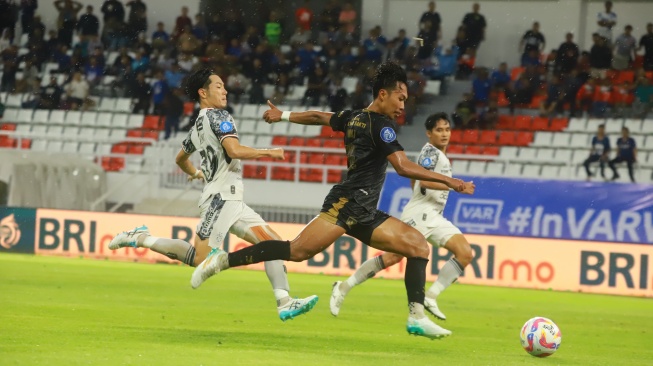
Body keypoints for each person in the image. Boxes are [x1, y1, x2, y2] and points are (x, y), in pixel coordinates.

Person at [191, 61, 471, 339]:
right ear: (383, 94)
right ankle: (221, 262)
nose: (403, 106)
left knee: (418, 246)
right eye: (400, 98)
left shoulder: (354, 117)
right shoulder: (381, 127)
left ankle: (416, 317)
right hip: (345, 205)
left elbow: (318, 117)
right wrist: (450, 181)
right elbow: (402, 166)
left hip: (364, 210)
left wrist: (284, 115)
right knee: (297, 250)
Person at [109, 68, 318, 321]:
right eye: (218, 86)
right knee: (199, 259)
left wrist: (198, 173)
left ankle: (284, 301)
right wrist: (270, 152)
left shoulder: (198, 124)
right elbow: (235, 150)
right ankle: (140, 238)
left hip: (231, 199)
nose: (225, 90)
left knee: (274, 246)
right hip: (220, 199)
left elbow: (180, 158)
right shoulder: (219, 116)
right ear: (203, 92)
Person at [329, 113, 474, 325]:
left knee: (465, 253)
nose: (444, 134)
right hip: (420, 215)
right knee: (392, 258)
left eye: (447, 129)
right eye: (439, 130)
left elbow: (415, 179)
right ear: (429, 133)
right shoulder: (430, 152)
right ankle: (343, 286)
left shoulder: (440, 155)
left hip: (435, 215)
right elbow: (423, 182)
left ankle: (430, 297)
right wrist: (453, 184)